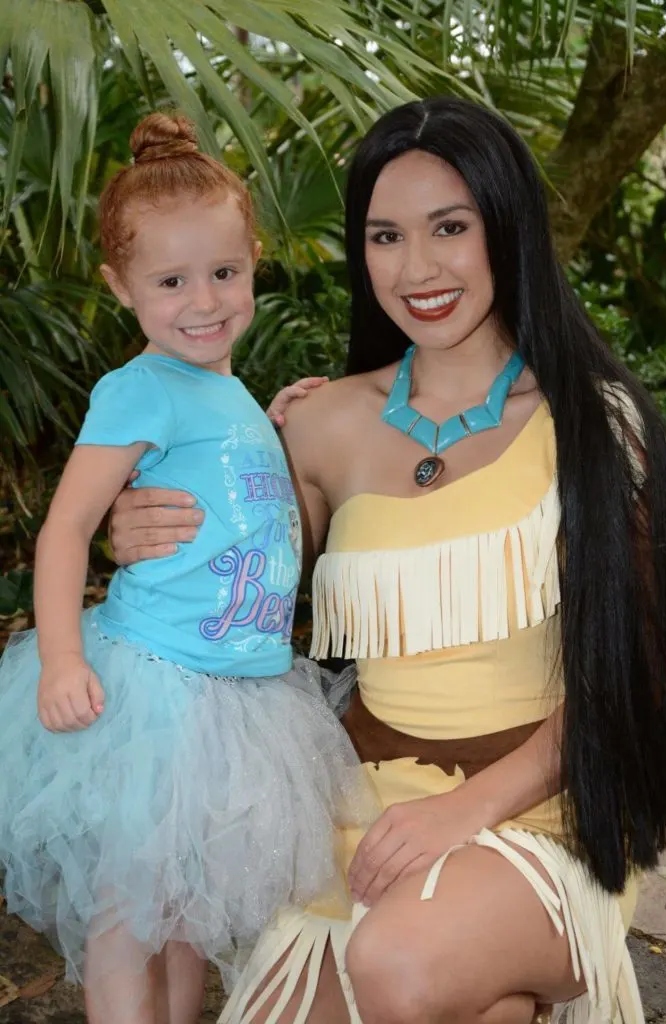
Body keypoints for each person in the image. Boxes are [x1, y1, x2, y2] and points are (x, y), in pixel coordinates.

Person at [109, 98, 666, 1024]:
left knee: (400, 962)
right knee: (433, 989)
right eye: (384, 236)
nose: (416, 269)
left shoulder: (593, 426)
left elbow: (632, 676)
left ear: (508, 228)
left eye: (449, 227)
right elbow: (225, 584)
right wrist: (135, 527)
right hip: (358, 808)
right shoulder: (318, 424)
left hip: (544, 809)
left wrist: (464, 812)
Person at [0, 112, 371, 1024]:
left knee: (182, 930)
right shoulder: (138, 387)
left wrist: (273, 428)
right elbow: (65, 529)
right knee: (128, 918)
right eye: (170, 281)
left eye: (224, 272)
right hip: (157, 693)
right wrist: (59, 659)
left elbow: (245, 511)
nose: (203, 301)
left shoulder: (226, 386)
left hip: (238, 698)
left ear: (253, 259)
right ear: (119, 285)